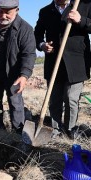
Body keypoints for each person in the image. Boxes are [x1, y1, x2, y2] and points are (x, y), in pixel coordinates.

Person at [34, 0, 91, 139]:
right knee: (55, 99)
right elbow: (38, 34)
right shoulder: (45, 11)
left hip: (76, 62)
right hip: (54, 62)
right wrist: (42, 45)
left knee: (71, 99)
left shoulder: (85, 5)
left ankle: (70, 130)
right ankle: (55, 129)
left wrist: (81, 19)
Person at [0, 0, 36, 132]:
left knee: (15, 102)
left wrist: (24, 75)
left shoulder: (25, 29)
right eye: (0, 12)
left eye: (8, 13)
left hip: (13, 73)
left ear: (17, 11)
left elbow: (28, 54)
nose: (3, 16)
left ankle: (18, 132)